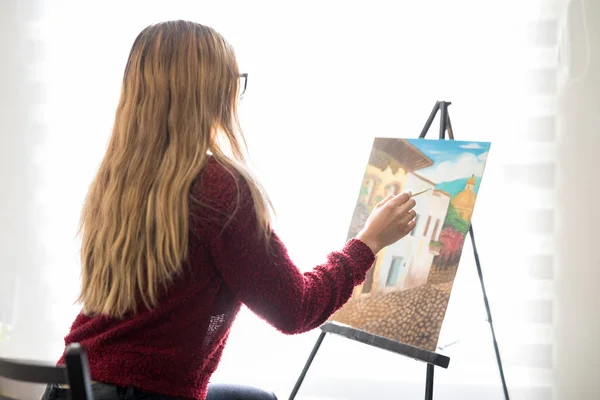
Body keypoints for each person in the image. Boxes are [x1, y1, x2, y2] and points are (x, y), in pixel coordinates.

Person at [42, 20, 416, 400]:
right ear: (210, 91)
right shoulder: (218, 187)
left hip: (72, 388)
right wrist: (368, 243)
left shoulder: (118, 179)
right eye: (234, 80)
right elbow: (295, 310)